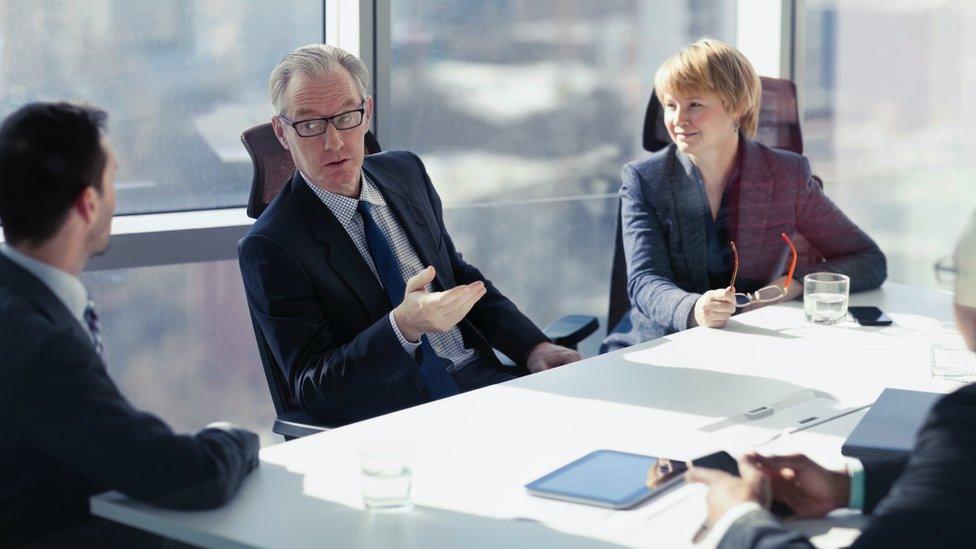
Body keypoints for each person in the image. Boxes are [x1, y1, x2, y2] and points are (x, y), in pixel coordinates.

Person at [239, 44, 580, 426]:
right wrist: (402, 327)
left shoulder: (406, 172)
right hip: (397, 419)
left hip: (484, 385)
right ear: (282, 134)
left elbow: (457, 275)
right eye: (310, 125)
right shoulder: (271, 246)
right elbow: (314, 389)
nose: (333, 142)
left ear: (366, 113)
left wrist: (532, 346)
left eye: (346, 117)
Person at [0, 102, 259, 546]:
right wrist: (234, 435)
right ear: (88, 203)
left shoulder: (20, 306)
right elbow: (191, 476)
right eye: (113, 178)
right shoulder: (42, 349)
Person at [686, 211, 976, 548]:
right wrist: (848, 486)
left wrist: (739, 519)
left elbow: (869, 259)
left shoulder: (962, 422)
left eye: (958, 271)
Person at [603, 39, 886, 352]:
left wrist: (792, 284)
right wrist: (695, 308)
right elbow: (644, 283)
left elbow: (869, 260)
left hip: (752, 345)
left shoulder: (785, 174)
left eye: (695, 104)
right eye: (671, 105)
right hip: (660, 346)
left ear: (737, 106)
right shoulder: (646, 179)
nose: (678, 119)